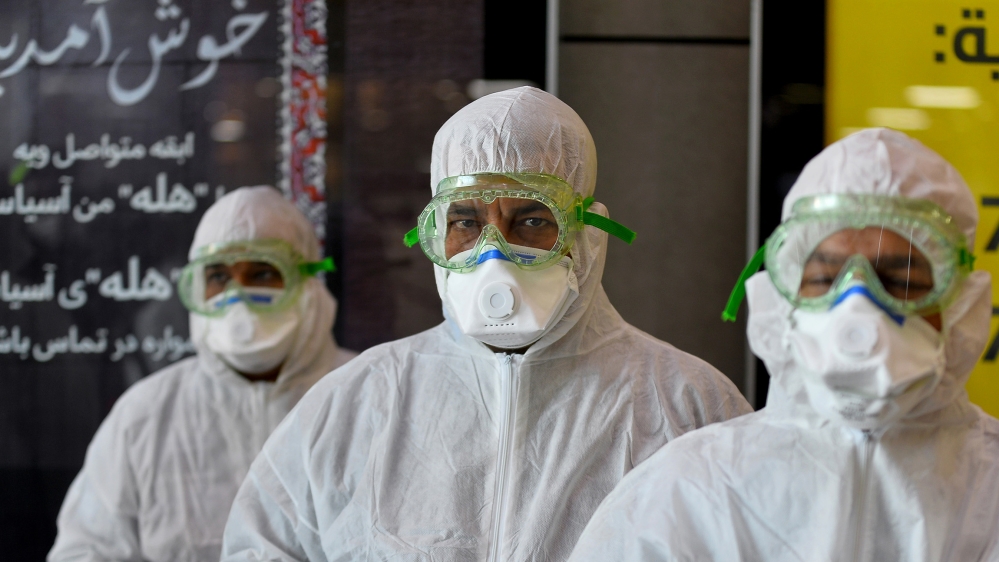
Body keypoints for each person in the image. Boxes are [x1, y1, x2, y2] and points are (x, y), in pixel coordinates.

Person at [220, 86, 751, 561]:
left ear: (586, 234)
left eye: (533, 219)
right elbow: (262, 545)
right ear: (435, 235)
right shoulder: (359, 402)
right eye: (466, 222)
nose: (491, 255)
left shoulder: (686, 405)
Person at [567, 128, 999, 561]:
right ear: (783, 298)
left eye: (899, 280)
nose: (858, 309)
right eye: (826, 279)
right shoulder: (689, 493)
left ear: (960, 304)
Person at [48, 186, 356, 562]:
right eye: (218, 277)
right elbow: (87, 550)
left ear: (307, 279)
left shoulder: (369, 396)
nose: (237, 297)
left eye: (262, 272)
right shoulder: (145, 416)